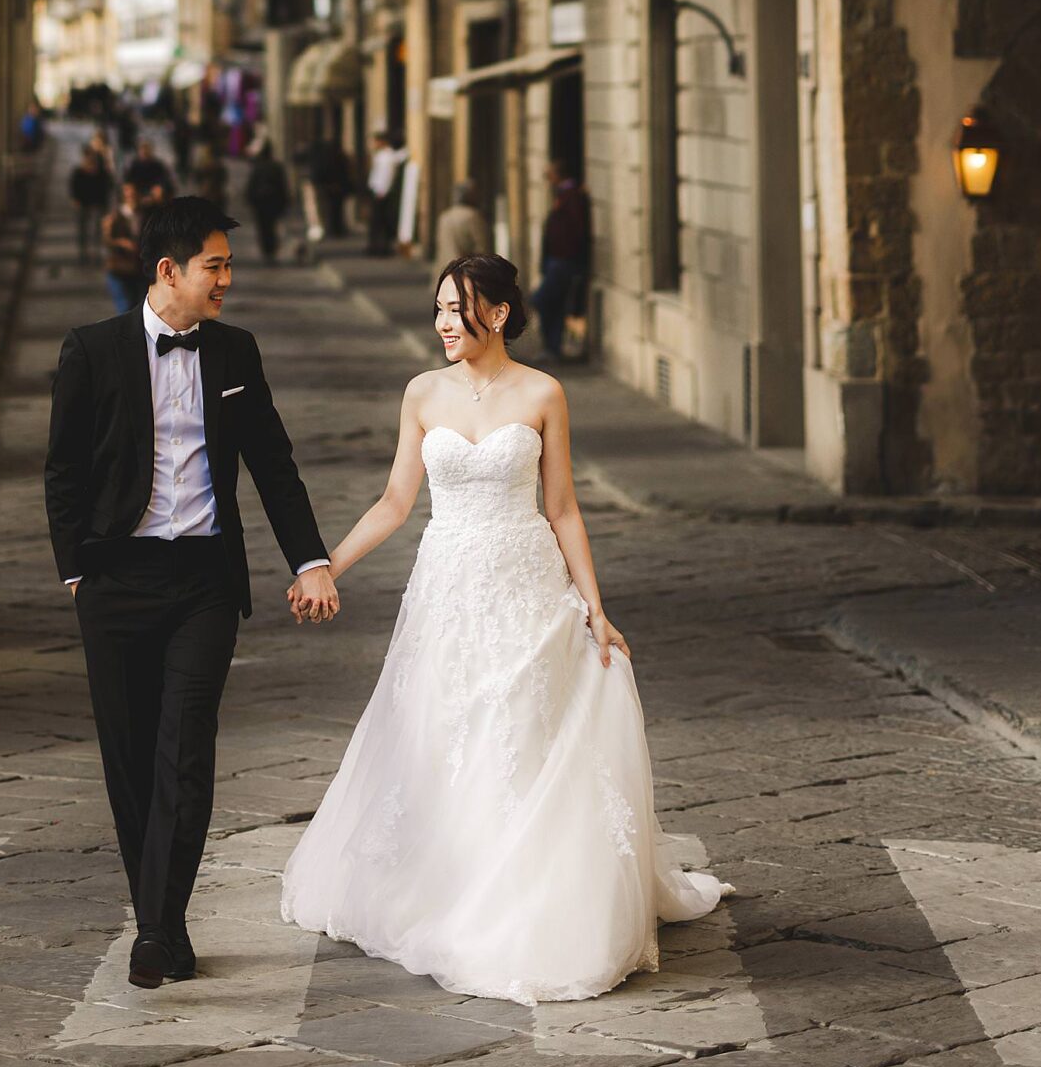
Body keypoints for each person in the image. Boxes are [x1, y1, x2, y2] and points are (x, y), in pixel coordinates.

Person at [280, 251, 728, 1003]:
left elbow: (562, 509)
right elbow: (395, 501)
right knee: (444, 732)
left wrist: (594, 605)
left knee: (522, 733)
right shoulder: (422, 393)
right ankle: (449, 882)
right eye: (438, 310)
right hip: (448, 591)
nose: (443, 324)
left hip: (525, 587)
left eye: (457, 310)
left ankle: (526, 891)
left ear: (498, 312)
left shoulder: (544, 393)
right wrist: (325, 565)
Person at [45, 197, 339, 989]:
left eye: (228, 266)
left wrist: (309, 559)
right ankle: (161, 925)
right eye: (216, 266)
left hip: (205, 580)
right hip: (116, 580)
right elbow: (63, 469)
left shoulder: (236, 353)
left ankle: (157, 930)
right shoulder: (92, 350)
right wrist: (78, 570)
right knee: (131, 760)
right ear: (169, 270)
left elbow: (273, 464)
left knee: (184, 751)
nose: (226, 281)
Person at [531, 158, 592, 360]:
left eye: (550, 173)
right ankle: (552, 348)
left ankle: (552, 346)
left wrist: (569, 256)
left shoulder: (571, 195)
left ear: (558, 174)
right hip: (556, 260)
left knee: (541, 300)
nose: (547, 178)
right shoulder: (563, 195)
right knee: (554, 304)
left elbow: (576, 229)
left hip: (563, 261)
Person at [244, 136, 292, 263]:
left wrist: (249, 199)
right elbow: (283, 185)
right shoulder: (276, 167)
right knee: (272, 226)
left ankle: (267, 250)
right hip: (273, 202)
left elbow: (251, 185)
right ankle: (271, 249)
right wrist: (286, 201)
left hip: (261, 202)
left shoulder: (258, 167)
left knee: (263, 227)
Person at [69, 132, 115, 262]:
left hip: (98, 204)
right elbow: (74, 187)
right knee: (83, 230)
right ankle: (83, 254)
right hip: (83, 204)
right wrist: (75, 199)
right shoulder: (78, 172)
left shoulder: (102, 172)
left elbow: (108, 187)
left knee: (97, 230)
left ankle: (96, 253)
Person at [101, 188, 144, 316]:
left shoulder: (145, 214)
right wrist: (121, 242)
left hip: (139, 267)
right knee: (125, 307)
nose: (132, 199)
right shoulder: (114, 218)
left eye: (134, 196)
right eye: (128, 196)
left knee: (138, 306)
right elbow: (106, 241)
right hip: (119, 267)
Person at [365, 128, 405, 256]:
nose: (373, 145)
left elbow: (386, 176)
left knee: (379, 222)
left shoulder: (386, 157)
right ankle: (378, 247)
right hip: (378, 191)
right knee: (378, 222)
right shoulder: (384, 155)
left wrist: (381, 192)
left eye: (375, 141)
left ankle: (380, 248)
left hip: (381, 192)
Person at [435, 177, 488, 254]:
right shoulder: (472, 216)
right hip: (466, 265)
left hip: (446, 265)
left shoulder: (444, 216)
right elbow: (482, 247)